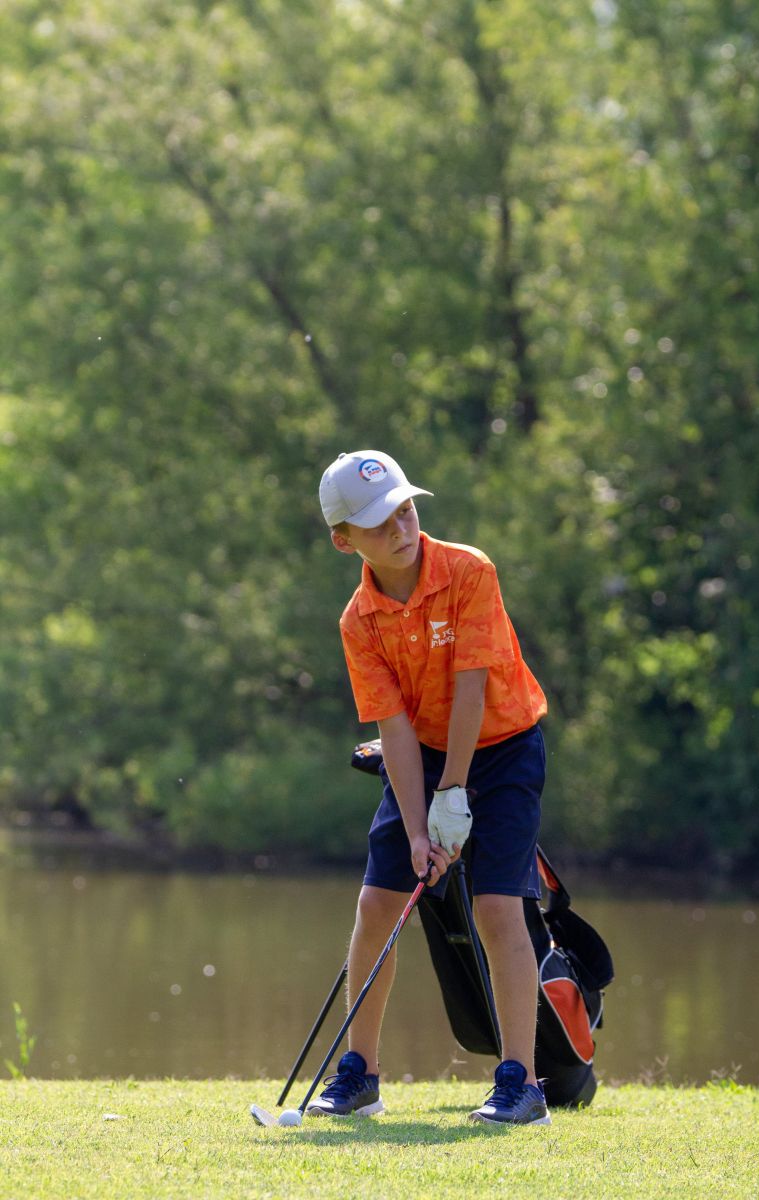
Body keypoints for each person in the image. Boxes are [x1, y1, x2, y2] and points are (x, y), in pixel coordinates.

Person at [313, 449, 550, 1126]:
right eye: (378, 519)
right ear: (344, 540)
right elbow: (394, 729)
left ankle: (522, 1083)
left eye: (404, 507)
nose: (399, 523)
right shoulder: (359, 621)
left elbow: (471, 689)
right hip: (421, 754)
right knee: (378, 904)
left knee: (497, 907)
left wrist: (454, 797)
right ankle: (360, 1075)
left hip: (503, 750)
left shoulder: (469, 570)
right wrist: (419, 829)